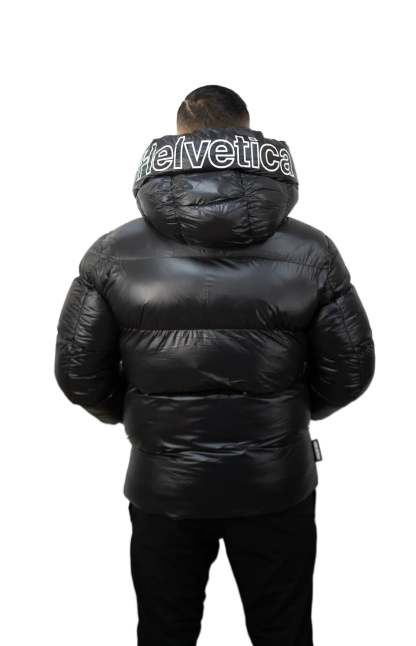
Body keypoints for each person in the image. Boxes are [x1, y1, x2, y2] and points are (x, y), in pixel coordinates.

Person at [54, 84, 375, 646]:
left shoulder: (112, 254)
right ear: (248, 137)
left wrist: (141, 419)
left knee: (165, 632)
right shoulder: (313, 253)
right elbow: (351, 370)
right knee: (283, 633)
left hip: (164, 484)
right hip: (275, 482)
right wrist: (288, 414)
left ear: (177, 141)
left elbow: (79, 374)